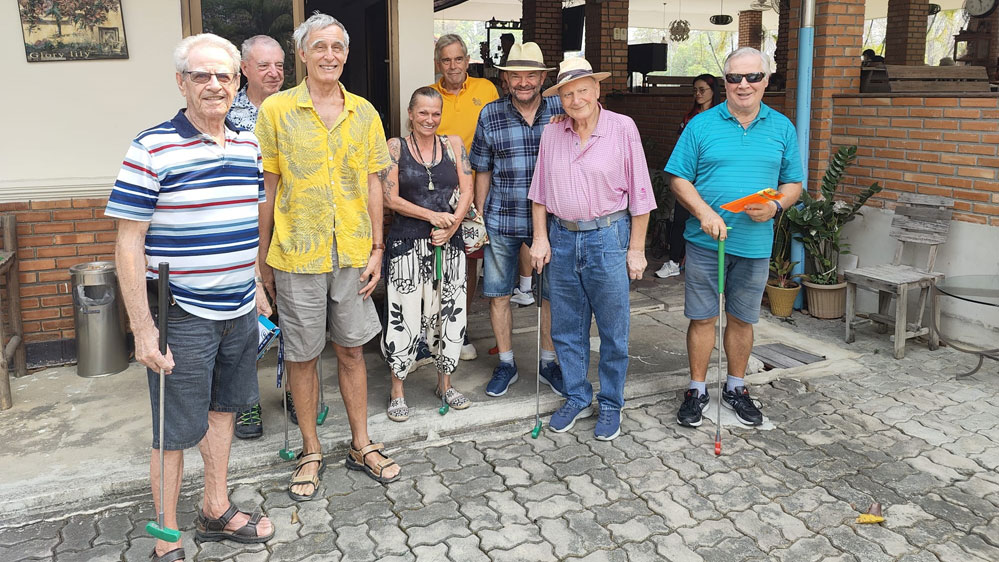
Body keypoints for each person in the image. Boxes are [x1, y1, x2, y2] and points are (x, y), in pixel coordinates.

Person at [108, 33, 275, 562]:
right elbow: (128, 242)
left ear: (238, 82)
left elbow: (244, 224)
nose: (214, 85)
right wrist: (143, 329)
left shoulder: (248, 145)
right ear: (181, 82)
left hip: (239, 309)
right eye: (201, 75)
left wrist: (257, 285)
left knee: (224, 411)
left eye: (224, 75)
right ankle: (166, 540)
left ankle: (215, 509)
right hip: (181, 314)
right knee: (173, 432)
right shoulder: (151, 147)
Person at [255, 13, 401, 501]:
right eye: (319, 46)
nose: (330, 55)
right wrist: (262, 259)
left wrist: (378, 247)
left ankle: (361, 443)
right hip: (297, 253)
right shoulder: (276, 110)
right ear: (302, 54)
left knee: (353, 349)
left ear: (346, 54)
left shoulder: (364, 112)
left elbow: (374, 184)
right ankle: (311, 449)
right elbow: (268, 188)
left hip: (354, 252)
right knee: (302, 354)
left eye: (338, 47)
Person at [664, 47, 803, 428]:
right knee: (702, 318)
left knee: (742, 319)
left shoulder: (782, 127)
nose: (743, 85)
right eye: (734, 77)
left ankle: (736, 388)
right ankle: (696, 390)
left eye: (753, 77)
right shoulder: (701, 125)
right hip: (706, 242)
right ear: (724, 81)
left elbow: (793, 183)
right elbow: (678, 178)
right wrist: (704, 213)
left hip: (754, 244)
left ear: (766, 80)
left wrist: (776, 206)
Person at [529, 58, 656, 440]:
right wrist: (540, 238)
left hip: (608, 237)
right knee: (567, 327)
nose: (576, 99)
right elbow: (539, 194)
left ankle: (612, 402)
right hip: (562, 237)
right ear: (560, 99)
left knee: (614, 329)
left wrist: (636, 249)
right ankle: (577, 395)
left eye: (583, 90)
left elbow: (641, 194)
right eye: (567, 93)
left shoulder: (623, 127)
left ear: (597, 90)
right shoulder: (553, 132)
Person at [470, 42, 565, 398]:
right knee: (498, 294)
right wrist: (479, 216)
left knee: (551, 295)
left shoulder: (562, 109)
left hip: (552, 221)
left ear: (543, 78)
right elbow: (482, 169)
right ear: (505, 79)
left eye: (530, 75)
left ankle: (548, 362)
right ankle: (506, 363)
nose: (523, 82)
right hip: (502, 218)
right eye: (515, 76)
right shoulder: (490, 114)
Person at [381, 87, 473, 421]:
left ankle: (445, 385)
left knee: (448, 315)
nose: (429, 119)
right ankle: (397, 390)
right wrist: (432, 216)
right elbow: (389, 198)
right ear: (410, 113)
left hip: (449, 243)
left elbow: (467, 189)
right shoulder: (395, 147)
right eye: (423, 112)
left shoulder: (454, 145)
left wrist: (452, 225)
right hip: (406, 244)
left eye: (435, 113)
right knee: (403, 317)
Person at [227, 34, 285, 441]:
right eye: (264, 65)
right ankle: (246, 400)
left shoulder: (297, 107)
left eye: (279, 65)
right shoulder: (226, 113)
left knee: (296, 319)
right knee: (246, 322)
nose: (273, 72)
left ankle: (297, 391)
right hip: (243, 231)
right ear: (244, 69)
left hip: (294, 229)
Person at [428, 34, 500, 361]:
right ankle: (433, 326)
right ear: (438, 63)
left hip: (480, 183)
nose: (453, 66)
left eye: (459, 59)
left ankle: (462, 325)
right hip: (440, 187)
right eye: (446, 60)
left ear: (467, 60)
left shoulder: (486, 89)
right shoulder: (430, 95)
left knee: (470, 258)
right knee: (437, 256)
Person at [656, 74, 721, 280]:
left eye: (702, 90)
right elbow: (680, 147)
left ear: (713, 91)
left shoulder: (722, 117)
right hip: (688, 178)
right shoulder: (689, 118)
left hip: (710, 179)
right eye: (695, 90)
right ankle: (674, 261)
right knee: (680, 220)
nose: (698, 94)